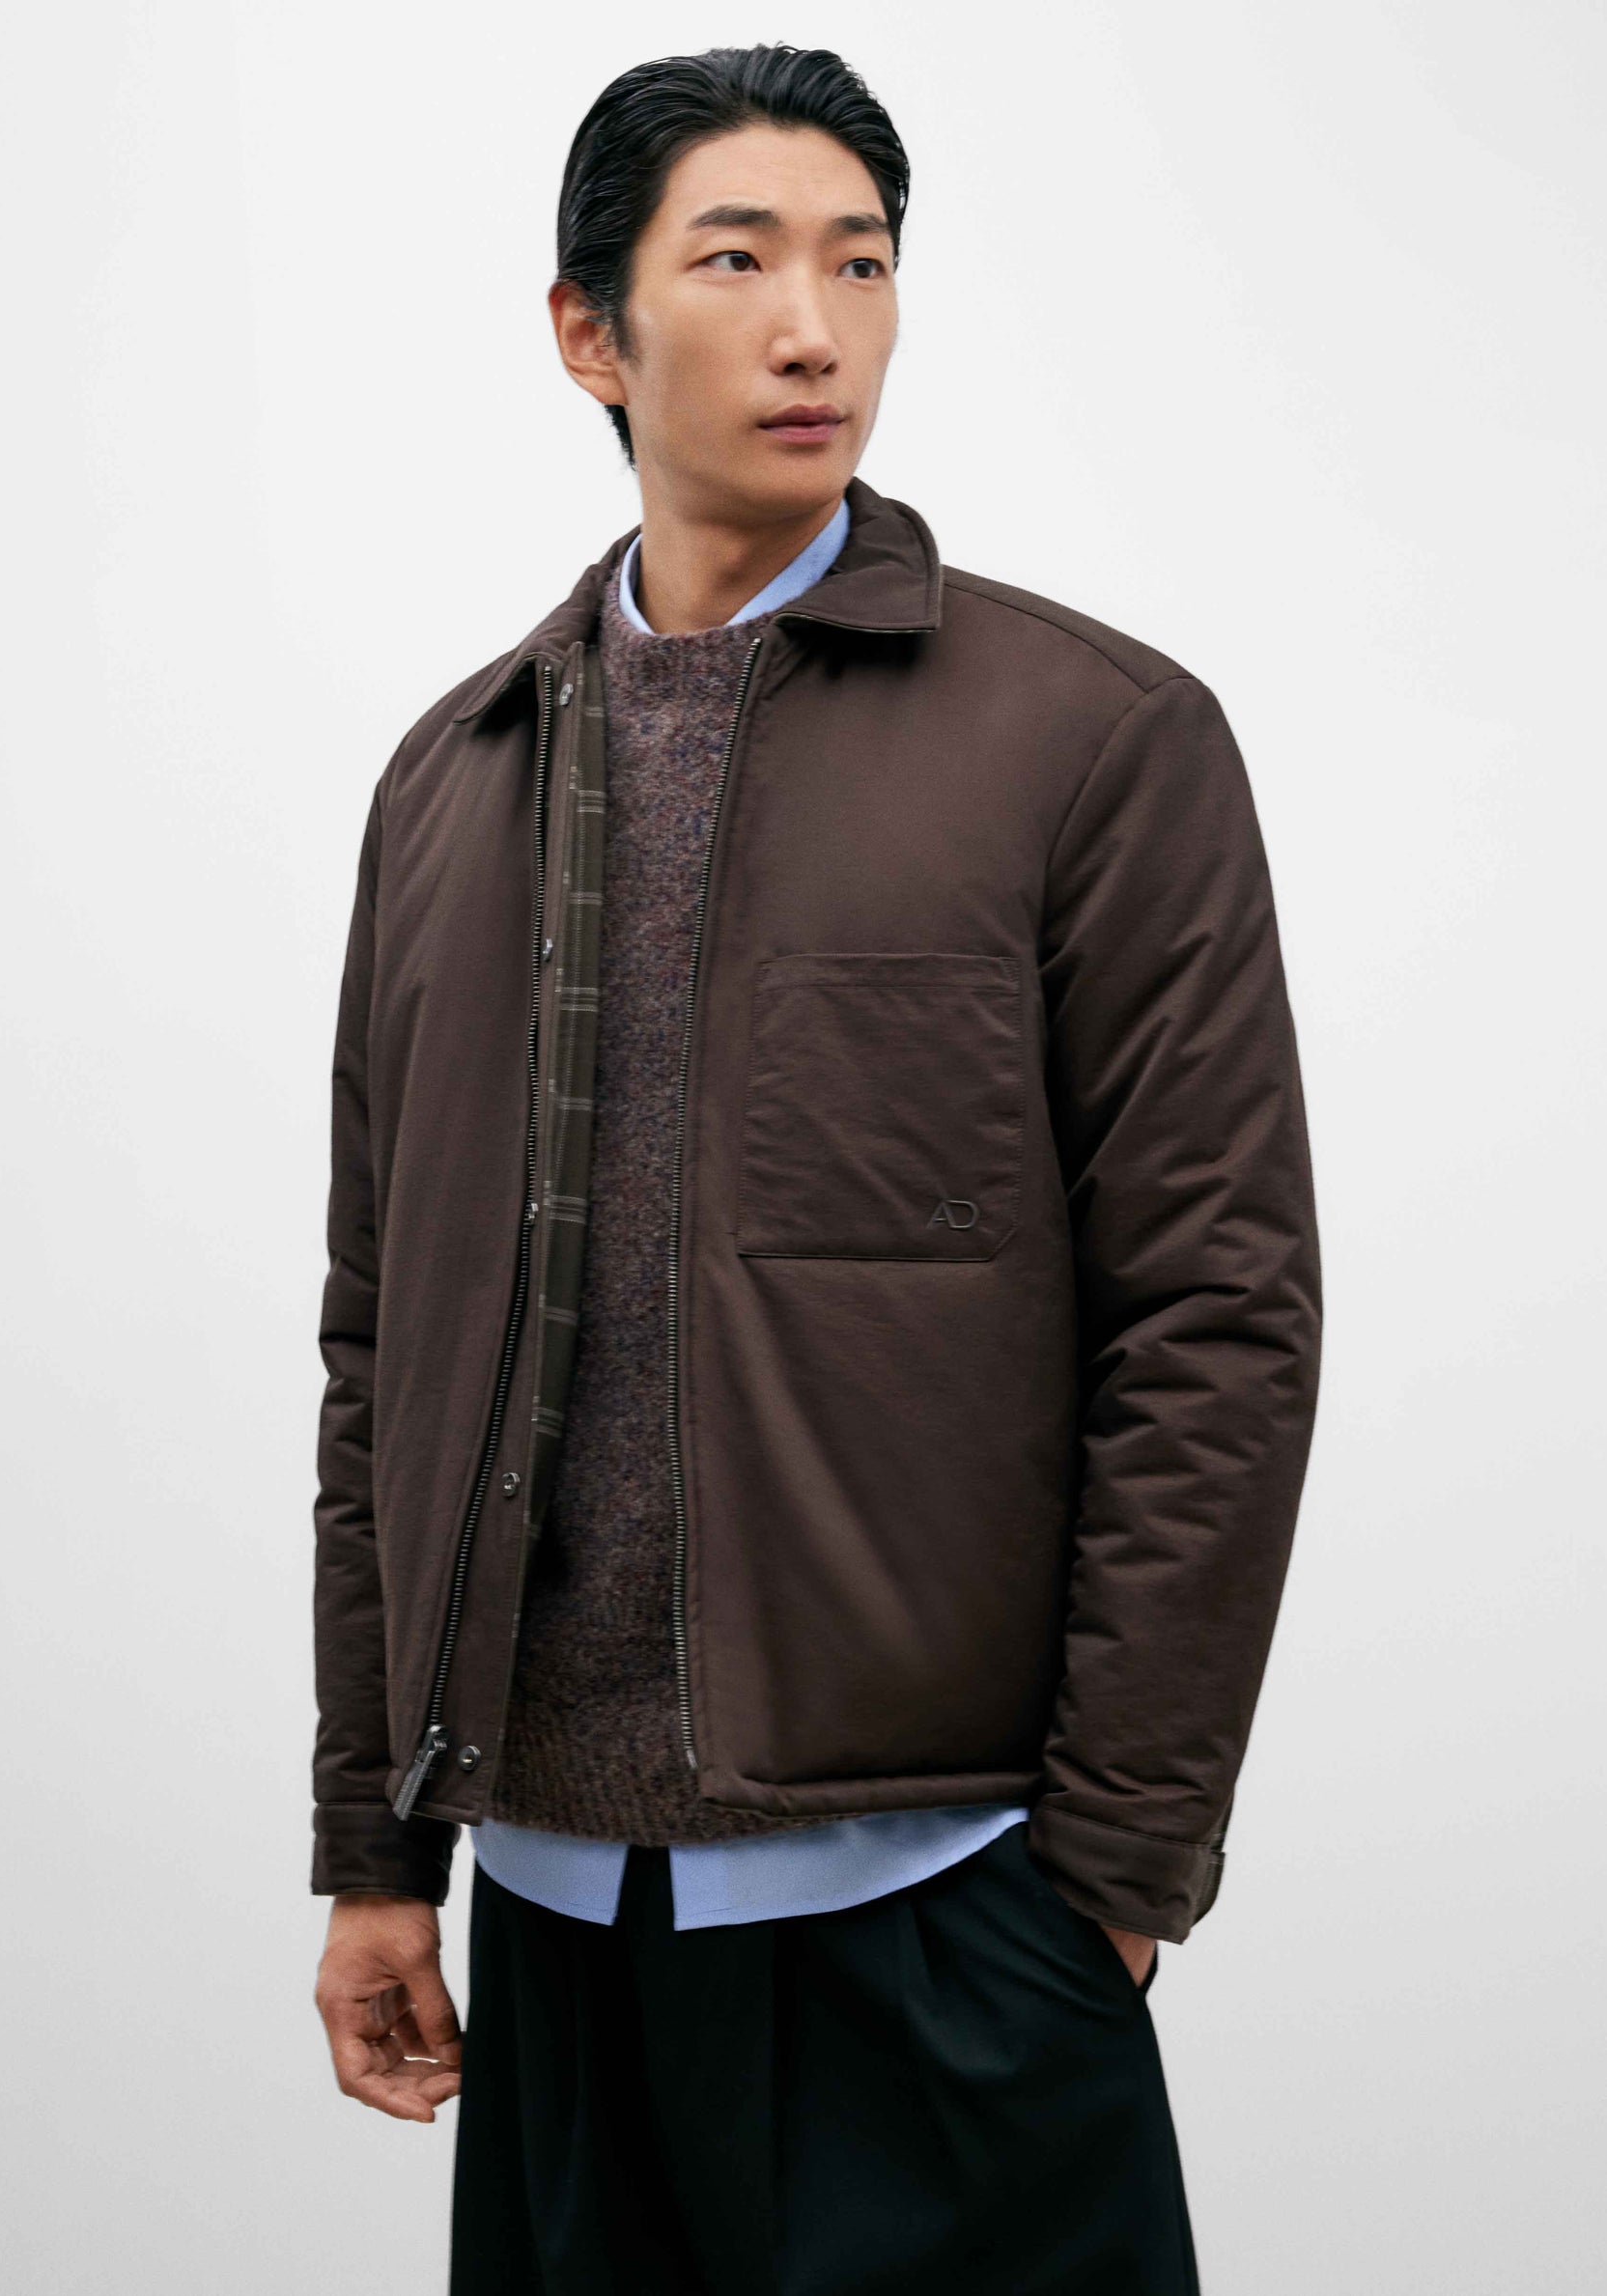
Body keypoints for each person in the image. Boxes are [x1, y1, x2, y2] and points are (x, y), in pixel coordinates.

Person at [309, 43, 1321, 2296]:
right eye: (738, 260)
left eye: (860, 266)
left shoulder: (1095, 742)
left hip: (944, 1923)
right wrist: (379, 1845)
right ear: (587, 332)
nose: (812, 328)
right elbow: (382, 1353)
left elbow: (1216, 1320)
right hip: (553, 1937)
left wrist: (1110, 1874)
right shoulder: (449, 785)